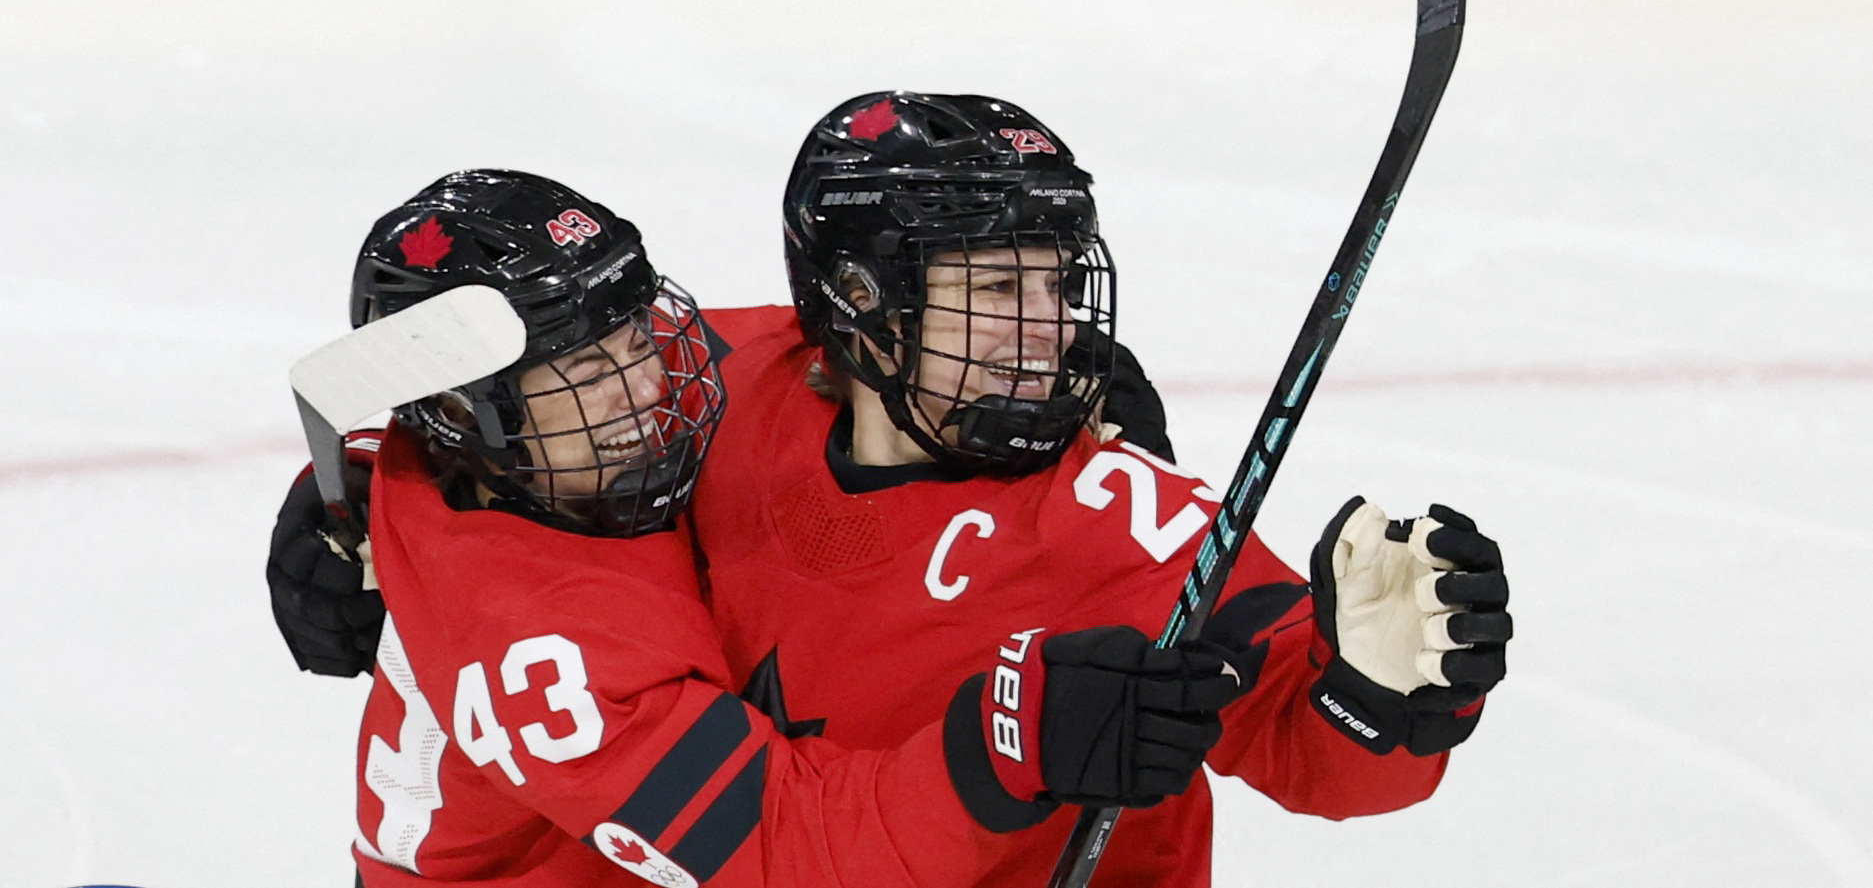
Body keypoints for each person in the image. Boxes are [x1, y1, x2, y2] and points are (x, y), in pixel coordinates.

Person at [271, 96, 1512, 886]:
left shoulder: (718, 387)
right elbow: (784, 847)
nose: (1043, 335)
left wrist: (1381, 701)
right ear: (860, 308)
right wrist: (1002, 742)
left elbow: (1319, 747)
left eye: (1052, 287)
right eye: (989, 294)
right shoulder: (550, 628)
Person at [322, 168, 1241, 886]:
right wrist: (1012, 741)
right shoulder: (541, 645)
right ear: (463, 409)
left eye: (635, 337)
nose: (648, 389)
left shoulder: (529, 454)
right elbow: (791, 850)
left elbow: (754, 346)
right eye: (588, 373)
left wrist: (989, 366)